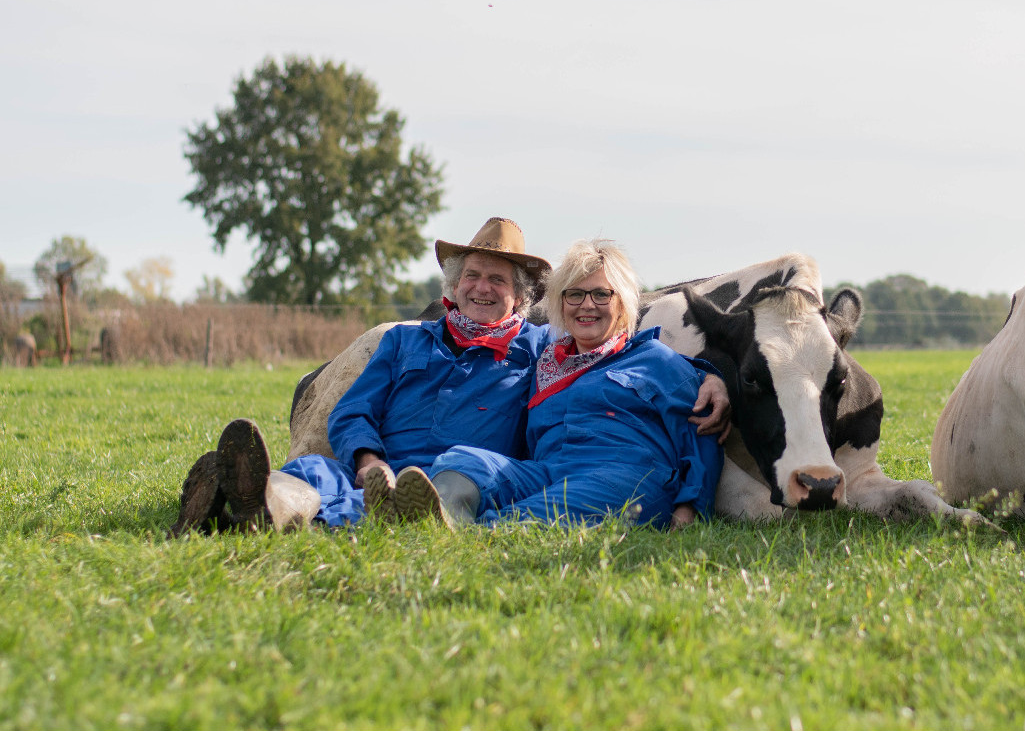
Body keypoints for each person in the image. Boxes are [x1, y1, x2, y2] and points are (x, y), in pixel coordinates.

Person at [169, 218, 729, 535]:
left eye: (498, 282)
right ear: (455, 285)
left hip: (458, 480)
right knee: (317, 471)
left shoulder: (539, 350)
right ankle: (266, 502)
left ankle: (251, 510)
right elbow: (354, 411)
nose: (484, 288)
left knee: (462, 474)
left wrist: (710, 377)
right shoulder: (405, 340)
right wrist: (367, 461)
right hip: (384, 471)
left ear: (521, 298)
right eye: (474, 276)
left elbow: (643, 368)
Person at [386, 239, 723, 531]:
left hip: (625, 476)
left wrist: (691, 506)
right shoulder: (545, 364)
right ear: (560, 304)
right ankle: (444, 516)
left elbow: (700, 435)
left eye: (601, 294)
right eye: (574, 294)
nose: (587, 305)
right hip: (549, 472)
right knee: (461, 461)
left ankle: (477, 533)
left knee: (559, 504)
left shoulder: (654, 359)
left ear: (623, 303)